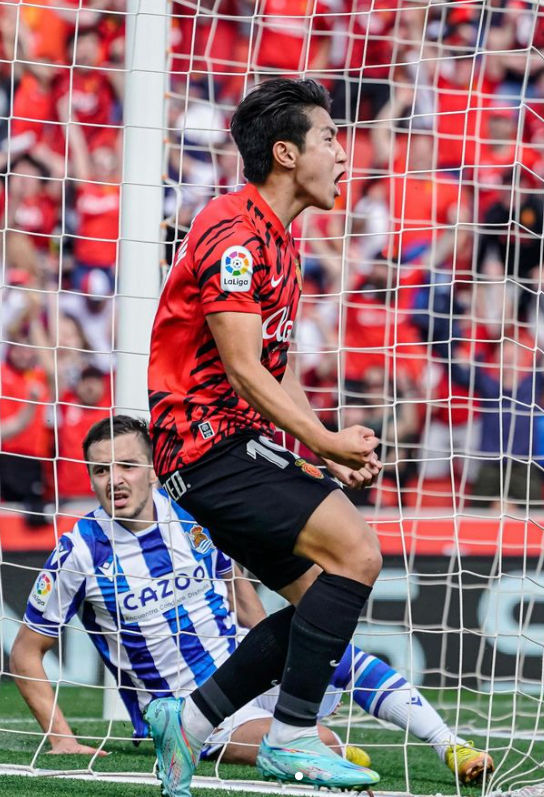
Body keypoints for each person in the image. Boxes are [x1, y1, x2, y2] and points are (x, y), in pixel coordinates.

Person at [10, 415, 493, 785]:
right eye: (100, 471)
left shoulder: (189, 511)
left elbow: (236, 585)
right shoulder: (79, 550)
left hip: (238, 665)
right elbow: (26, 650)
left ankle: (449, 743)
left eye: (127, 466)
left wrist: (272, 654)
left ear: (154, 469)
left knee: (326, 644)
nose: (114, 480)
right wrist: (62, 739)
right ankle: (332, 750)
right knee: (317, 739)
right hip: (184, 704)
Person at [147, 77, 385, 794]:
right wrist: (323, 441)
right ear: (285, 153)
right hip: (205, 443)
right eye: (329, 139)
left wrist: (323, 446)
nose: (344, 155)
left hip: (230, 446)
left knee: (323, 596)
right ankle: (290, 737)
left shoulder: (277, 240)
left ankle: (188, 724)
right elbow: (244, 369)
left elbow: (272, 373)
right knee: (358, 553)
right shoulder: (233, 232)